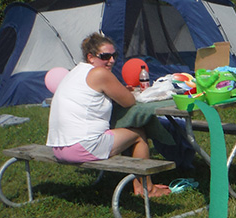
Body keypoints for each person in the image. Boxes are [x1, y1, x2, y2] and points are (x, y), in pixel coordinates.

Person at [47, 33, 171, 197]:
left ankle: (139, 185)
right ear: (90, 57)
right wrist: (123, 92)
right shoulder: (99, 73)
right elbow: (128, 102)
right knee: (139, 134)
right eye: (105, 56)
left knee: (126, 132)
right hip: (81, 147)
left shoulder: (75, 72)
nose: (111, 60)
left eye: (114, 55)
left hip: (59, 147)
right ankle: (146, 188)